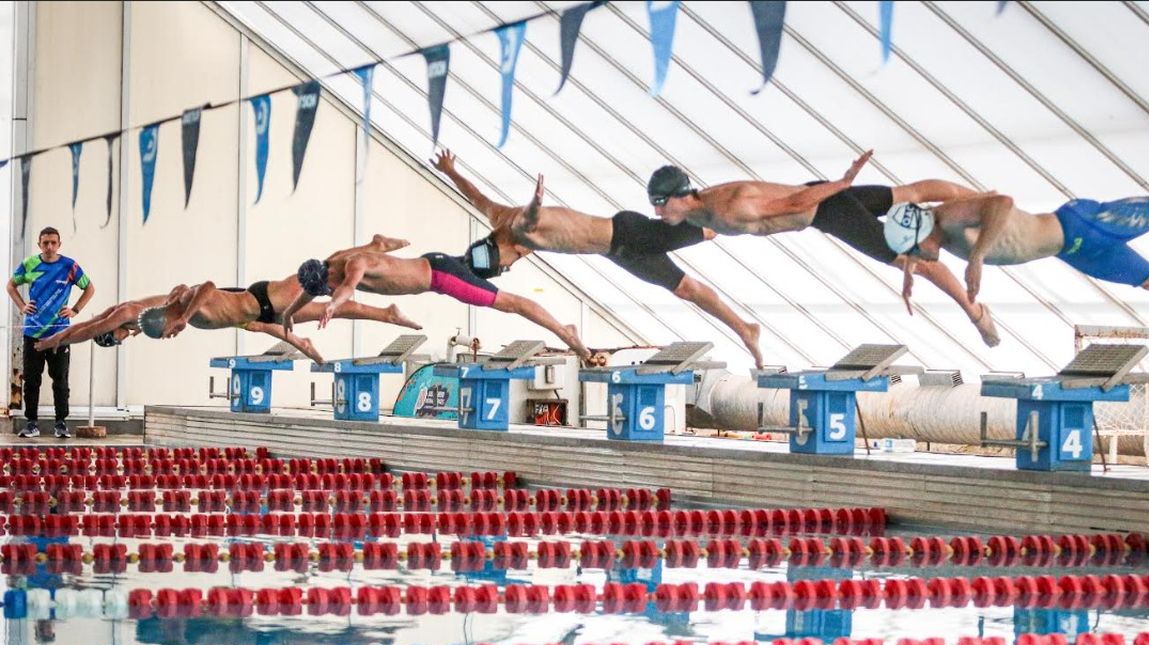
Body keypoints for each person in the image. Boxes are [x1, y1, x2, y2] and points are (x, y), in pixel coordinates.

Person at [430, 150, 764, 368]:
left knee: (713, 229)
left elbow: (530, 219)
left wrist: (535, 201)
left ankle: (762, 207)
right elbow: (476, 196)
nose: (514, 262)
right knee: (685, 288)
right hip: (619, 253)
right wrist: (450, 172)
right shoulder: (498, 217)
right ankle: (745, 328)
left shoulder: (520, 228)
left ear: (499, 249)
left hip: (629, 234)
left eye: (506, 263)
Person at [645, 156, 1001, 347]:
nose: (658, 213)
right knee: (910, 193)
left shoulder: (729, 209)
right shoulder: (703, 207)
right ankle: (983, 198)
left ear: (679, 195)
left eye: (661, 205)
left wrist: (841, 185)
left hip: (826, 209)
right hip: (823, 200)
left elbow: (796, 200)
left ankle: (975, 312)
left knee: (913, 262)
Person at [881, 176, 1149, 312]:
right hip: (1075, 251)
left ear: (921, 234)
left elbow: (1001, 202)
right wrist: (909, 272)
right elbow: (917, 248)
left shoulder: (949, 217)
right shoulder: (933, 235)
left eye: (915, 250)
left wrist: (977, 258)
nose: (920, 258)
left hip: (1082, 226)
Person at [280, 234, 592, 361]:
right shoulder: (329, 263)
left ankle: (567, 332)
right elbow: (312, 289)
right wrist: (288, 313)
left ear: (327, 276)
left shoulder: (353, 265)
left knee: (512, 303)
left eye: (327, 288)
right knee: (491, 262)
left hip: (442, 277)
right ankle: (523, 244)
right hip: (434, 264)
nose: (328, 291)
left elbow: (347, 289)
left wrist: (333, 305)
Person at [38, 276, 419, 364]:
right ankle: (386, 313)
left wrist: (52, 342)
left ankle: (370, 255)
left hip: (259, 297)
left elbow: (88, 329)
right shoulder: (145, 315)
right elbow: (247, 324)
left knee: (324, 277)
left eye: (117, 337)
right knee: (326, 309)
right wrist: (297, 343)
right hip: (253, 312)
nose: (122, 336)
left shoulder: (134, 313)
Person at [6, 227, 95, 438]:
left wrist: (75, 310)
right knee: (32, 379)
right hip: (33, 332)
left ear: (59, 244)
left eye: (53, 243)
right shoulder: (29, 264)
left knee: (61, 380)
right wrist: (21, 306)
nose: (49, 247)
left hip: (60, 334)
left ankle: (61, 423)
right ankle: (31, 423)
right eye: (45, 243)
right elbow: (10, 286)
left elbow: (89, 288)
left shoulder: (69, 266)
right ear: (39, 244)